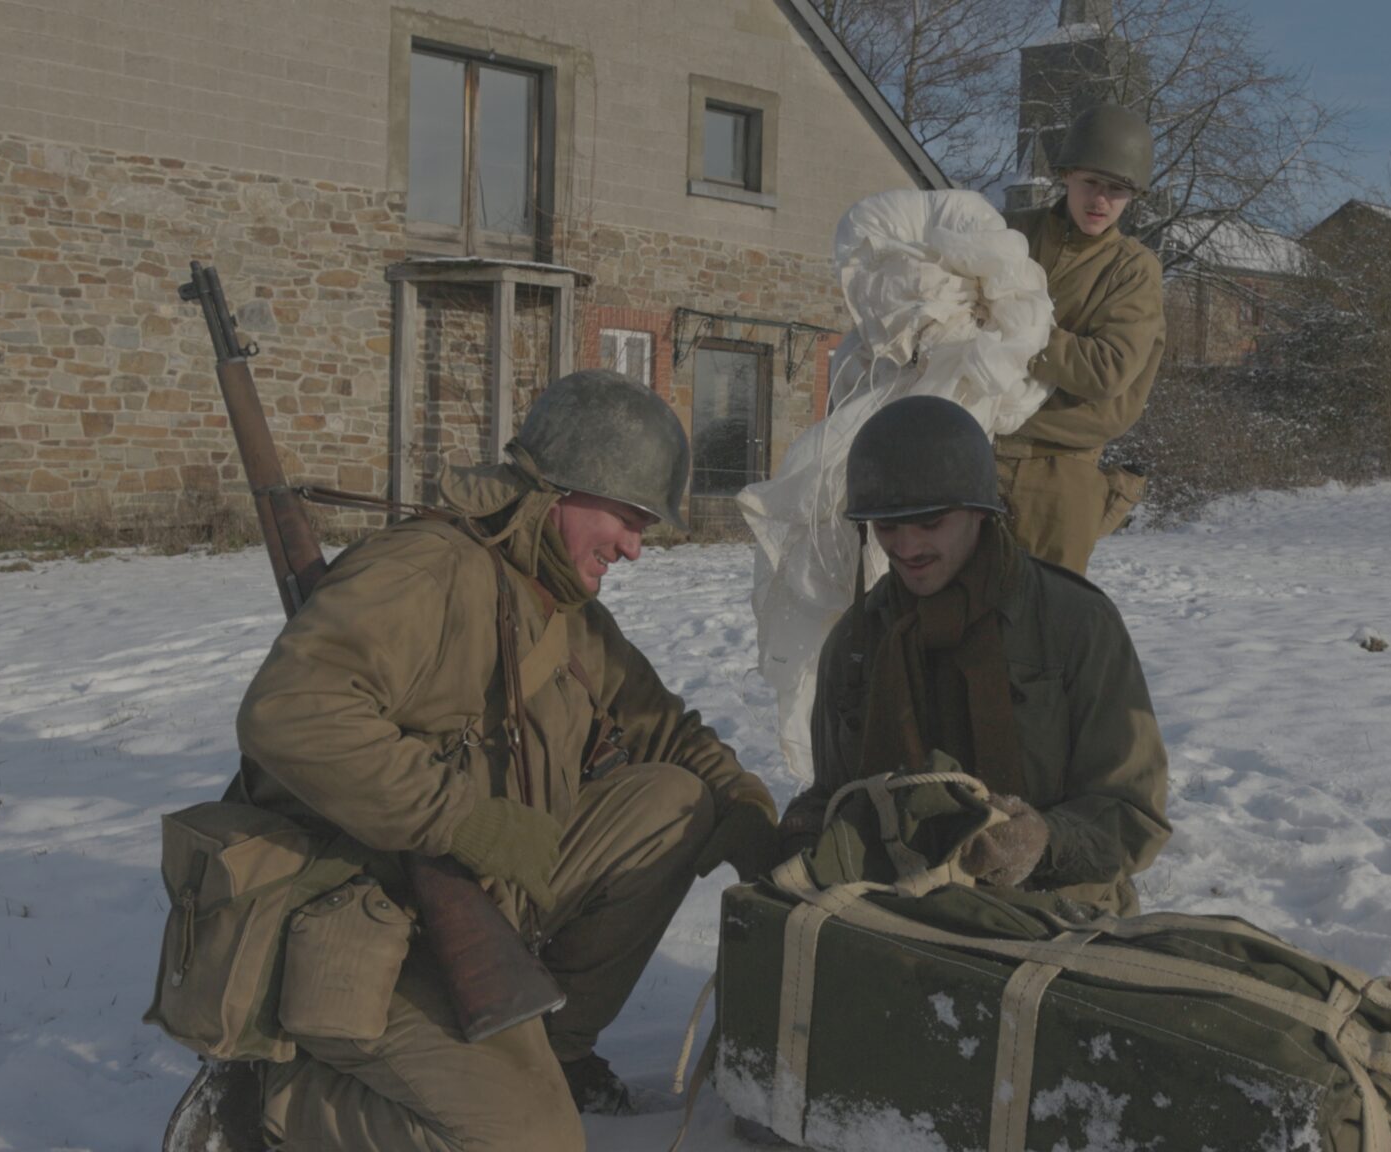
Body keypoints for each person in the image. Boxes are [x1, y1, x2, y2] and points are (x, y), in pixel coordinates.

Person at [199, 371, 781, 1149]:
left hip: (476, 899)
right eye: (630, 518)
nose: (637, 549)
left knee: (674, 802)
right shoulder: (425, 572)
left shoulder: (557, 605)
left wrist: (752, 823)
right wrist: (466, 819)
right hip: (365, 918)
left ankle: (556, 1054)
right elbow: (288, 712)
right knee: (531, 1145)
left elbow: (661, 726)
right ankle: (277, 1096)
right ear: (562, 489)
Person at [781, 395, 1170, 914]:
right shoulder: (855, 644)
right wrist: (808, 823)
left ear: (980, 511)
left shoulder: (1075, 625)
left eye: (929, 521)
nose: (906, 546)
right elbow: (835, 793)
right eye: (887, 526)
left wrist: (1045, 841)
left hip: (1056, 917)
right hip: (901, 911)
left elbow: (1133, 815)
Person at [999, 101, 1166, 576]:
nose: (1101, 200)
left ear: (1132, 196)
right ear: (1067, 174)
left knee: (1047, 622)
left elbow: (1105, 369)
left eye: (1117, 189)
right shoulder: (1013, 234)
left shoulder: (1132, 269)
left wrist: (1015, 330)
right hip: (975, 451)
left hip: (1058, 468)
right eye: (1092, 181)